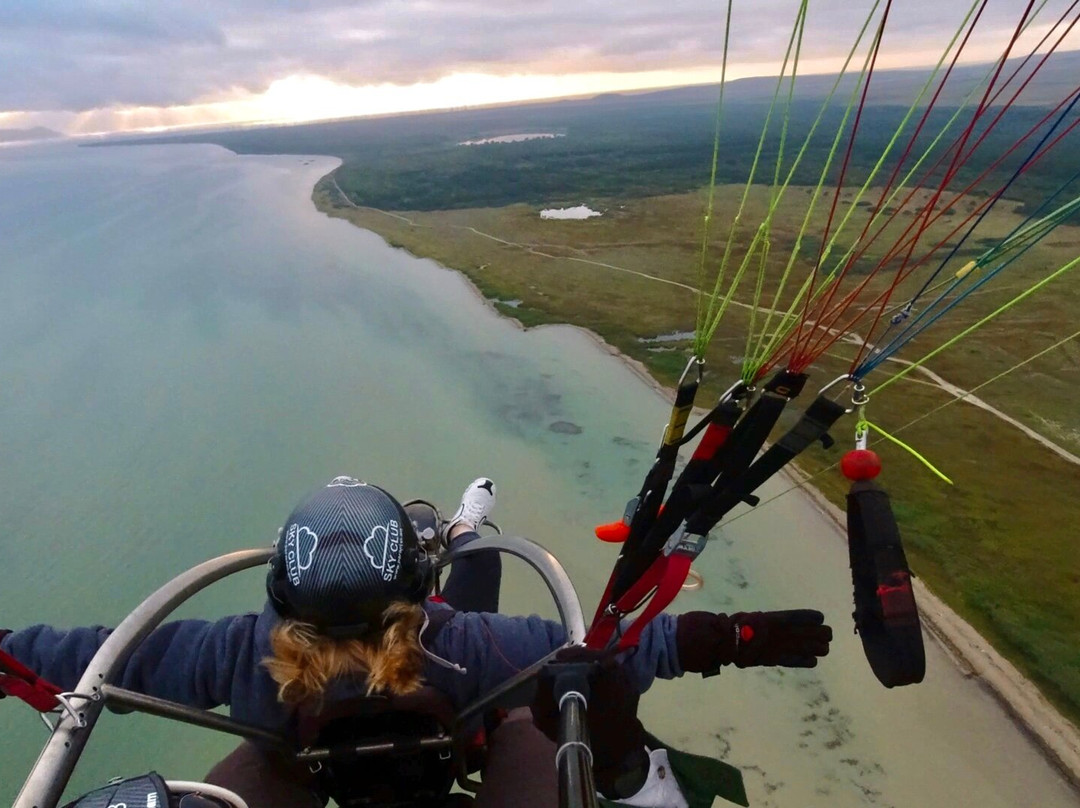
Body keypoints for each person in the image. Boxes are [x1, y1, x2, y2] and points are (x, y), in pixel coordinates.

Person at [2, 475, 832, 808]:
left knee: (256, 765)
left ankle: (467, 525)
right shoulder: (471, 646)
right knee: (521, 719)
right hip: (469, 729)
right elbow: (625, 653)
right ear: (413, 588)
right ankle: (468, 528)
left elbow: (100, 653)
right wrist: (735, 635)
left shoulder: (240, 650)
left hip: (308, 775)